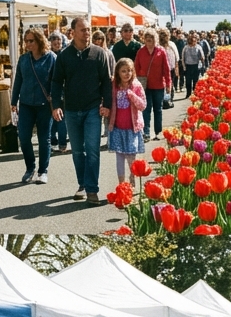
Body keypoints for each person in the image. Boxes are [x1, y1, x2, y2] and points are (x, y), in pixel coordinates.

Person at [50, 17, 113, 205]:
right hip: (71, 110)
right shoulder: (64, 56)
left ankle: (92, 189)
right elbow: (56, 82)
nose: (87, 33)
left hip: (92, 109)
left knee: (92, 150)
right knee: (77, 151)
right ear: (73, 32)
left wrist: (107, 105)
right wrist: (56, 105)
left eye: (89, 30)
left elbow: (106, 82)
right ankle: (83, 185)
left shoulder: (99, 53)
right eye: (83, 30)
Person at [11, 27, 56, 184]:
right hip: (26, 104)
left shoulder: (51, 58)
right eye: (26, 41)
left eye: (31, 41)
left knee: (44, 139)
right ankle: (30, 167)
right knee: (23, 137)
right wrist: (13, 101)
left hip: (44, 105)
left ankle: (43, 171)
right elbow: (18, 81)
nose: (28, 44)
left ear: (39, 40)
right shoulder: (24, 59)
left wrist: (56, 103)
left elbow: (57, 83)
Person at [107, 57, 146, 186]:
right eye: (123, 71)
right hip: (118, 127)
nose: (127, 74)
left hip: (132, 128)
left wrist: (133, 96)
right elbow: (108, 101)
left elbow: (143, 105)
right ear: (117, 72)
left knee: (131, 157)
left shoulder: (136, 85)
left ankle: (132, 178)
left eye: (129, 70)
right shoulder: (114, 86)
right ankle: (121, 184)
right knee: (119, 156)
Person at [135, 29, 170, 141]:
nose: (149, 41)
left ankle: (158, 131)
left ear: (156, 39)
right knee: (146, 109)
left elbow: (166, 69)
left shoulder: (161, 51)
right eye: (147, 39)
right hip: (145, 86)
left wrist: (169, 83)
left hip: (159, 85)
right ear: (144, 40)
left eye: (152, 39)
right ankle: (146, 133)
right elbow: (136, 68)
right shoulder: (141, 52)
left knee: (158, 109)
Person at [159, 29, 178, 108]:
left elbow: (176, 56)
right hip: (161, 68)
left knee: (170, 83)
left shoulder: (171, 44)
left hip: (171, 67)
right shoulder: (158, 45)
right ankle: (164, 100)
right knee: (164, 84)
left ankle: (169, 100)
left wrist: (176, 67)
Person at [181, 33, 204, 98]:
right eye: (192, 41)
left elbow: (202, 56)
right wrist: (184, 67)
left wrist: (202, 61)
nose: (194, 42)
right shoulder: (186, 48)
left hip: (196, 66)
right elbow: (183, 57)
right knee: (188, 81)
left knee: (195, 80)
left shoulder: (198, 47)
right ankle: (188, 93)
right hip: (188, 66)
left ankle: (195, 93)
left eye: (195, 41)